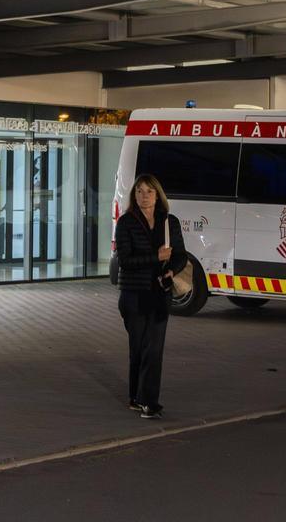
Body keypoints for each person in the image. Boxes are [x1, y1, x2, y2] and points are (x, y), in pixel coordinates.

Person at [114, 174, 188, 420]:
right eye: (139, 191)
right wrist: (154, 258)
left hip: (159, 293)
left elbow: (180, 256)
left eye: (149, 191)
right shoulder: (126, 222)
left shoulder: (170, 222)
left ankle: (148, 402)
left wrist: (170, 270)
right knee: (139, 348)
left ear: (158, 195)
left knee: (153, 348)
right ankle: (136, 397)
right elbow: (124, 260)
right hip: (134, 295)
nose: (143, 196)